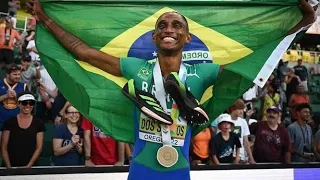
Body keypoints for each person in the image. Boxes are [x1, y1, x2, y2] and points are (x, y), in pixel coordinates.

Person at [30, 0, 315, 179]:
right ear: (154, 36)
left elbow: (250, 63)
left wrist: (301, 24)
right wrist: (45, 18)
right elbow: (85, 52)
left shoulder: (201, 72)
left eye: (177, 25)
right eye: (162, 25)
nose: (169, 29)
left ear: (187, 36)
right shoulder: (136, 68)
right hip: (140, 169)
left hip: (179, 170)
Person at [1, 92, 45, 168]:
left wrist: (29, 166)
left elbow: (39, 147)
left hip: (31, 167)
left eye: (31, 103)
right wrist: (9, 167)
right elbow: (3, 147)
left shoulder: (38, 123)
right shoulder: (9, 122)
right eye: (24, 103)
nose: (28, 106)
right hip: (10, 165)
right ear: (19, 104)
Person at [227, 99, 256, 164]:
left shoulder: (243, 122)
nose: (242, 111)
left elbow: (246, 142)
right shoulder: (225, 119)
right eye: (239, 109)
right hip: (227, 156)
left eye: (242, 109)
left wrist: (251, 158)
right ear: (233, 108)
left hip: (241, 156)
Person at [0, 65, 26, 134]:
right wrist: (5, 96)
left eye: (19, 74)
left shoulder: (24, 86)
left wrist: (16, 96)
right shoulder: (0, 84)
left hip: (17, 123)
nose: (17, 76)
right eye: (15, 74)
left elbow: (28, 104)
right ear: (7, 74)